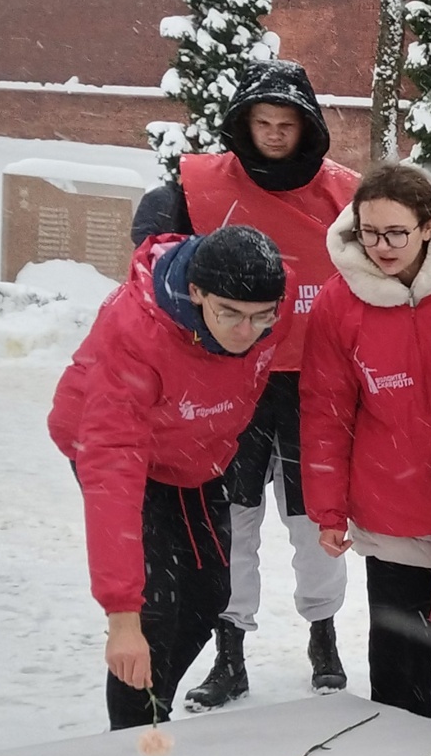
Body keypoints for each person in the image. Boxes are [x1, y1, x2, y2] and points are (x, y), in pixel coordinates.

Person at [127, 61, 362, 711]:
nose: (275, 134)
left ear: (307, 126)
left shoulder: (347, 195)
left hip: (315, 387)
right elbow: (154, 259)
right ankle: (230, 652)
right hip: (233, 381)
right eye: (263, 123)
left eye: (287, 124)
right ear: (244, 123)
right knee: (233, 517)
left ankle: (325, 635)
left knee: (317, 518)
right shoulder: (197, 187)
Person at [299, 160, 431, 728]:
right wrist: (327, 507)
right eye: (370, 232)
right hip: (390, 513)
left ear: (426, 225)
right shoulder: (339, 304)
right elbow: (325, 409)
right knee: (397, 670)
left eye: (396, 232)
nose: (382, 246)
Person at [49, 225, 285, 728]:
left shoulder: (269, 316)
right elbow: (112, 467)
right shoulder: (135, 333)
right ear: (196, 293)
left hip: (196, 453)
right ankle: (135, 736)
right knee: (152, 611)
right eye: (230, 315)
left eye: (261, 317)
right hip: (119, 447)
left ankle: (155, 704)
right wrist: (121, 618)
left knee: (208, 596)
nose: (247, 332)